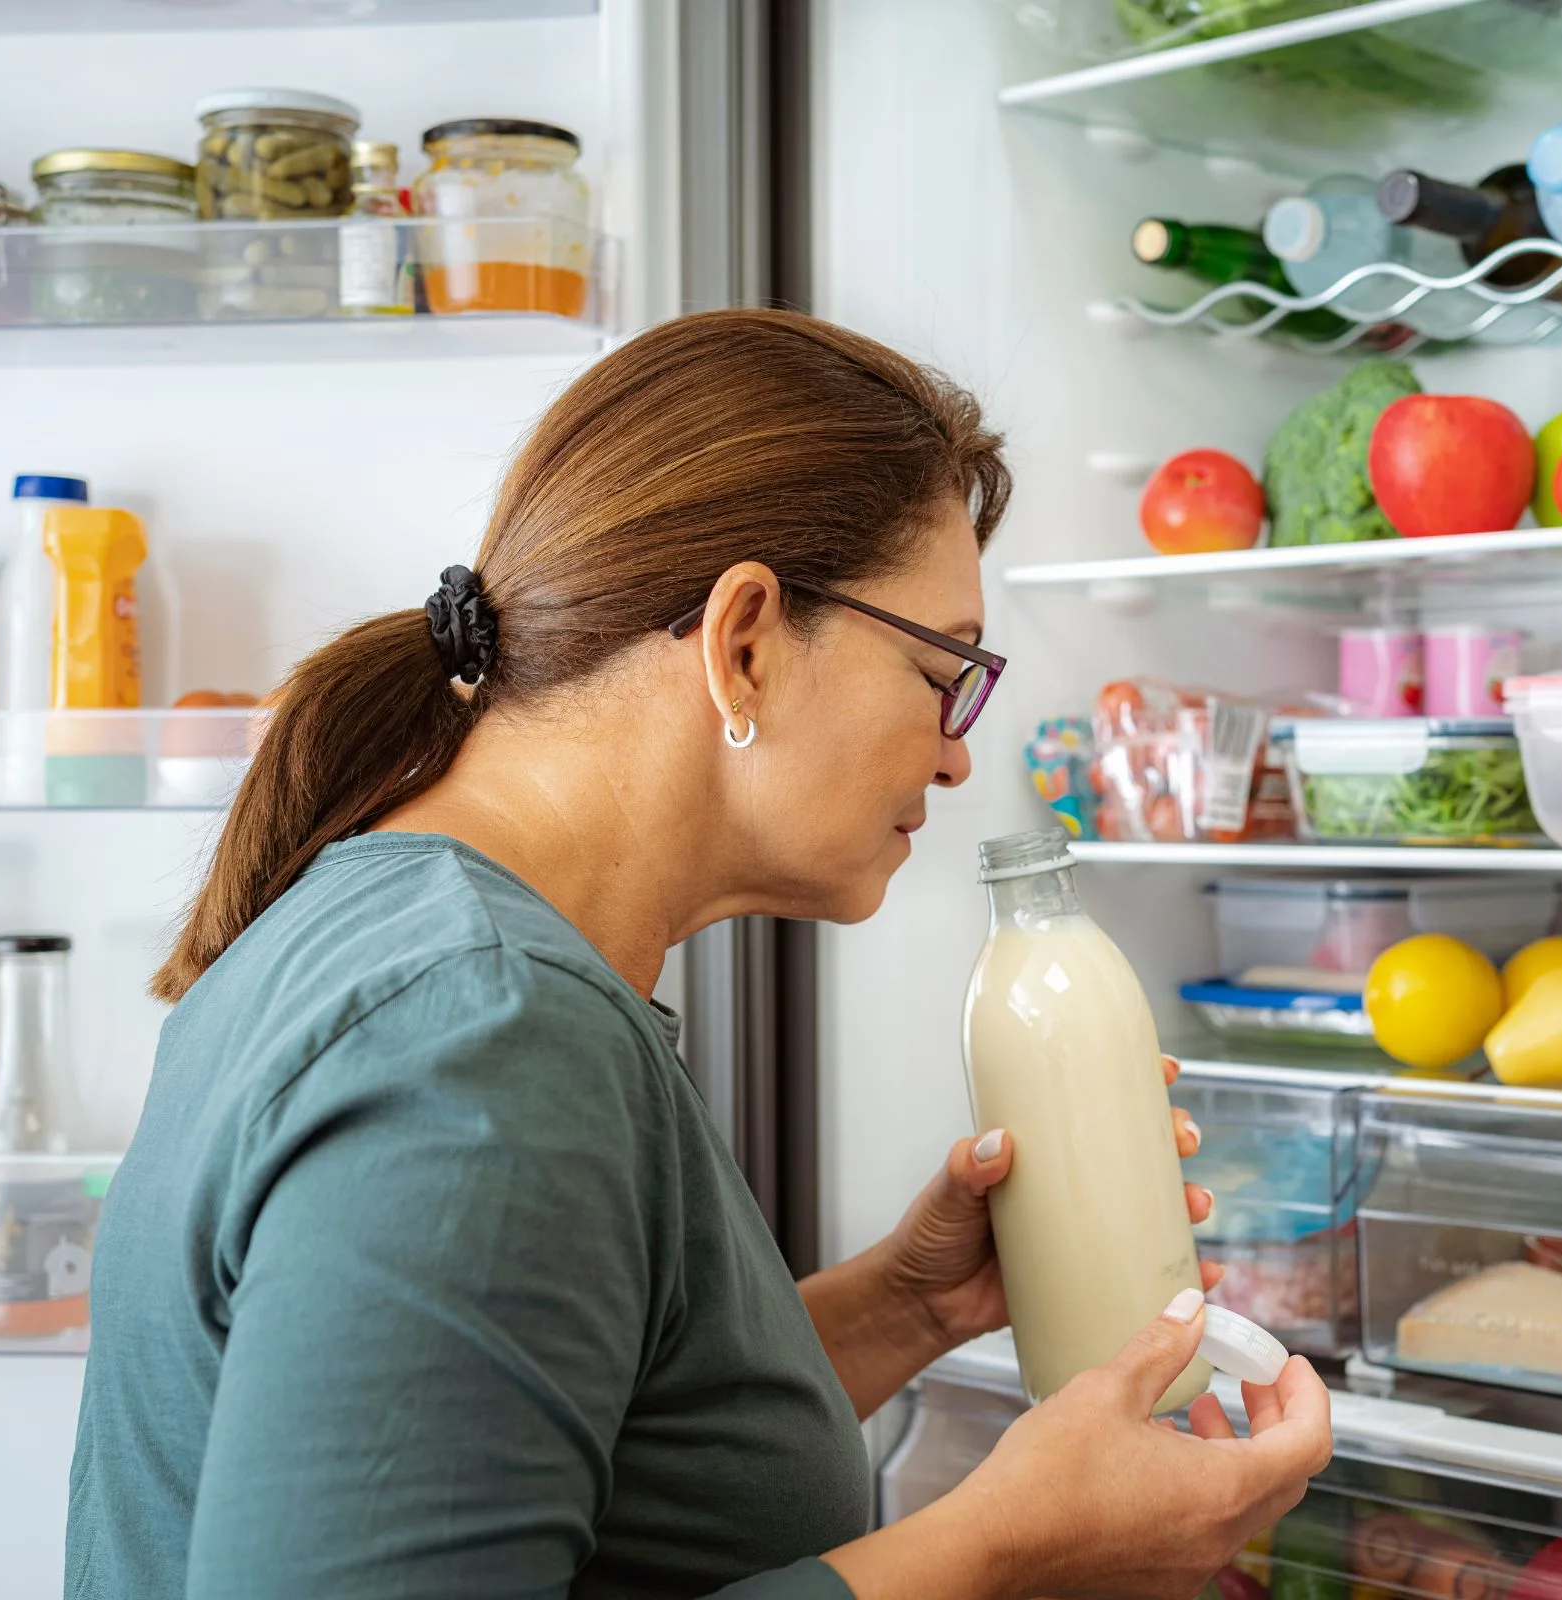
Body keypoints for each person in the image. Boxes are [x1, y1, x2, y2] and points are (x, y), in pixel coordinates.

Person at [65, 309, 1331, 1600]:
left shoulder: (420, 941)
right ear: (745, 643)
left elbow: (585, 1441)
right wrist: (1007, 1548)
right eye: (943, 671)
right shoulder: (481, 1042)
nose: (957, 756)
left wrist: (915, 1303)